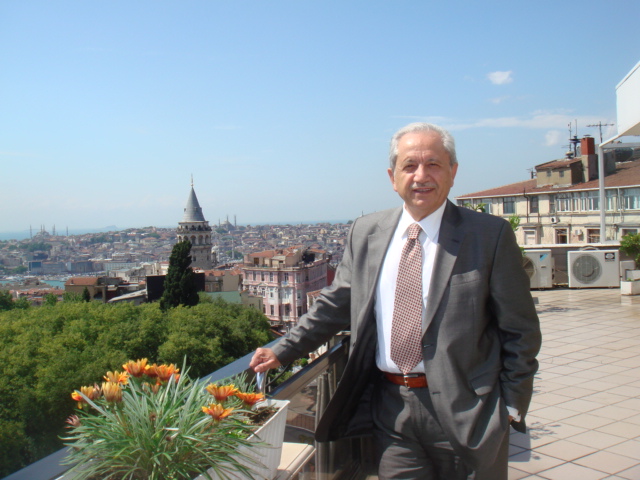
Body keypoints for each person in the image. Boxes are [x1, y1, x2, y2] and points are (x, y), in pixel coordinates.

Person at [250, 122, 541, 480]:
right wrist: (283, 349)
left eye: (433, 164)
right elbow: (336, 303)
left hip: (470, 410)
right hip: (390, 410)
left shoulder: (488, 235)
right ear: (392, 177)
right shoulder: (366, 232)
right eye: (410, 165)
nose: (421, 176)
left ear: (453, 172)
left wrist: (511, 406)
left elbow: (520, 329)